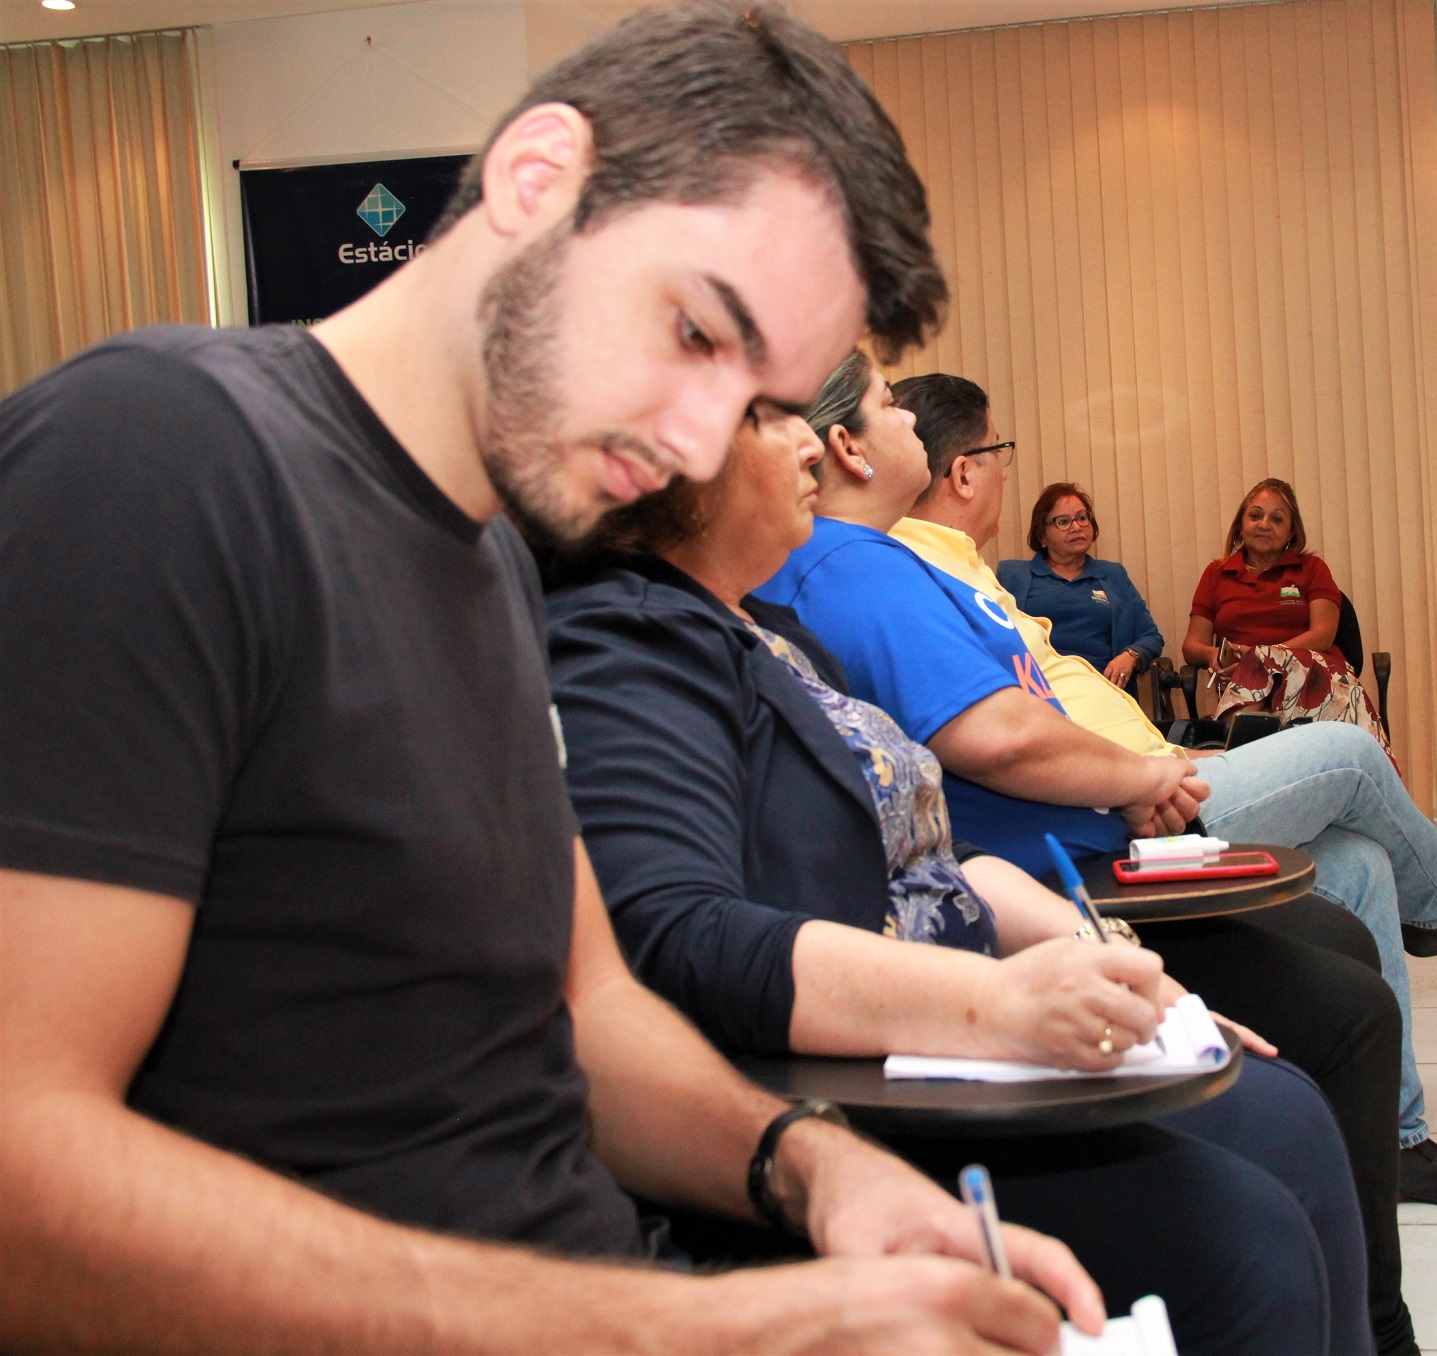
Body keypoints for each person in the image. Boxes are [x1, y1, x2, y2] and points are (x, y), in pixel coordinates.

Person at [0, 8, 1107, 1354]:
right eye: (695, 333)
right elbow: (23, 1167)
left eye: (753, 397)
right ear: (537, 181)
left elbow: (586, 1010)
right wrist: (694, 1330)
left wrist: (815, 1168)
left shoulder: (489, 560)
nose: (698, 441)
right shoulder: (161, 456)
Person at [545, 399, 1379, 1356]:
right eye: (769, 418)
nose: (809, 441)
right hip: (864, 1074)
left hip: (965, 989)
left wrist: (1108, 958)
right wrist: (994, 1004)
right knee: (1246, 1237)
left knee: (1289, 1117)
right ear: (668, 462)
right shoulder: (622, 640)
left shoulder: (772, 631)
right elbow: (675, 940)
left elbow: (935, 863)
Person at [870, 368, 1437, 1208]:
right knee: (1350, 752)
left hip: (1155, 769)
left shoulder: (968, 569)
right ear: (964, 471)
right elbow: (1006, 734)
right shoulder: (918, 575)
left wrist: (1159, 748)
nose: (1007, 470)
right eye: (1001, 452)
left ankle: (1395, 1142)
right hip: (1144, 806)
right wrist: (1144, 774)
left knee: (1361, 865)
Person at [1182, 479, 1389, 749]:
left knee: (1258, 669)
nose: (1264, 524)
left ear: (1292, 532)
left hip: (1312, 678)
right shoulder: (1216, 574)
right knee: (1252, 689)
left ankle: (1247, 746)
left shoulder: (1312, 568)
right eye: (1255, 516)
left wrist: (1263, 656)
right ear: (1241, 525)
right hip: (1245, 683)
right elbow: (1191, 645)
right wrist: (1214, 656)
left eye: (1277, 519)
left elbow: (1323, 636)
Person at [997, 482, 1163, 692]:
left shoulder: (1113, 575)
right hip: (1038, 690)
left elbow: (1151, 636)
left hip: (1102, 688)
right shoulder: (1013, 575)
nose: (1076, 527)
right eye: (1063, 521)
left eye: (1082, 518)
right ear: (1042, 536)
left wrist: (1130, 656)